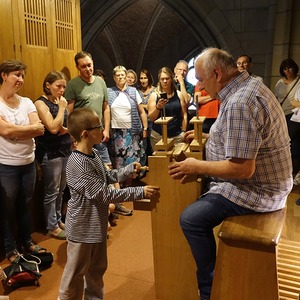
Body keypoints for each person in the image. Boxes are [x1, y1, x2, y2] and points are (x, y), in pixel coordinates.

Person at [168, 48, 293, 300]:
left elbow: (242, 169)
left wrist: (197, 166)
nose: (200, 86)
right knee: (203, 190)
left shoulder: (240, 102)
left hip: (260, 190)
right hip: (268, 183)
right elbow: (242, 133)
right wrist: (209, 135)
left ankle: (210, 289)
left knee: (191, 218)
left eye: (201, 79)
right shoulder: (249, 85)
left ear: (217, 73)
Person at [57, 107, 159, 300]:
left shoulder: (93, 154)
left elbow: (107, 177)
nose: (104, 129)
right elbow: (103, 194)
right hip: (82, 229)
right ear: (86, 134)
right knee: (74, 276)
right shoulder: (77, 163)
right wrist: (140, 192)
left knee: (96, 271)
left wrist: (127, 170)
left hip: (96, 226)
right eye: (99, 126)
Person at [0, 60, 46, 263]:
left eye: (22, 76)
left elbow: (40, 128)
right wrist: (24, 131)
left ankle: (26, 241)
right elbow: (6, 131)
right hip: (6, 166)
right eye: (16, 75)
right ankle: (10, 248)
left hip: (28, 163)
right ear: (4, 75)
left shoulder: (27, 102)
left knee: (25, 206)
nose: (20, 79)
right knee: (7, 208)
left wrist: (16, 132)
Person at [34, 71, 72, 240]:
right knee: (52, 190)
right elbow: (53, 127)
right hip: (50, 152)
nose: (62, 90)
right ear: (48, 85)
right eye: (58, 86)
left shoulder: (58, 101)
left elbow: (66, 125)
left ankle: (57, 220)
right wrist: (62, 107)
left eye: (64, 86)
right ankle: (51, 226)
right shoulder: (40, 103)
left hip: (64, 149)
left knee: (62, 189)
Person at [65, 51, 111, 166]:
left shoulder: (100, 82)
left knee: (106, 165)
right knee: (86, 166)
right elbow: (68, 113)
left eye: (89, 65)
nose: (87, 69)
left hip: (98, 131)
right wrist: (72, 135)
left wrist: (106, 129)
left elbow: (106, 108)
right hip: (82, 135)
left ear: (93, 63)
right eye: (83, 66)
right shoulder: (73, 84)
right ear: (77, 67)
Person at [148, 66, 187, 151]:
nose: (165, 81)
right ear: (159, 80)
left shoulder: (179, 94)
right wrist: (158, 107)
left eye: (167, 78)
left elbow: (184, 114)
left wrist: (183, 131)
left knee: (176, 162)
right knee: (160, 163)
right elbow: (151, 118)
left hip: (176, 135)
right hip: (158, 136)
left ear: (171, 78)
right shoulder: (154, 96)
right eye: (162, 79)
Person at [137, 68, 155, 168]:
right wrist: (146, 106)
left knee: (152, 146)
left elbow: (151, 106)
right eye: (141, 78)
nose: (143, 80)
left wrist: (142, 106)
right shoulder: (137, 91)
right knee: (142, 147)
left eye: (145, 78)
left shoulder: (155, 90)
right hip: (140, 122)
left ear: (149, 79)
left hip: (153, 121)